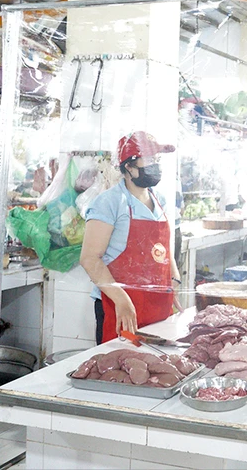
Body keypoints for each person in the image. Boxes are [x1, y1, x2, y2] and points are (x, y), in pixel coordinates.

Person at [79, 131, 181, 344]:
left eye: (157, 159)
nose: (155, 165)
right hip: (119, 305)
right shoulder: (109, 202)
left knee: (158, 363)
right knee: (122, 362)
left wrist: (174, 280)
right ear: (129, 167)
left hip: (157, 305)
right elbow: (89, 258)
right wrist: (121, 300)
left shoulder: (159, 199)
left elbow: (163, 249)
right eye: (149, 159)